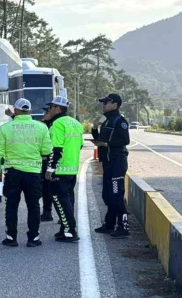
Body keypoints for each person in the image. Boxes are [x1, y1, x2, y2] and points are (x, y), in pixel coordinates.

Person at [0, 98, 53, 247]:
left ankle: (11, 237)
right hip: (33, 173)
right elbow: (46, 150)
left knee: (11, 205)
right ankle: (33, 238)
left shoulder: (6, 128)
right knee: (33, 205)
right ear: (30, 111)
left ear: (15, 111)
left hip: (13, 173)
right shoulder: (41, 127)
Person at [43, 96, 84, 243]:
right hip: (72, 169)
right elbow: (80, 146)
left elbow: (56, 149)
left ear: (58, 108)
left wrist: (50, 168)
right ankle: (65, 229)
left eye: (51, 107)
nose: (49, 110)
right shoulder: (76, 123)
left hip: (59, 169)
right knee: (68, 200)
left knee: (59, 200)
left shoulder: (57, 124)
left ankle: (70, 231)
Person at [92, 93, 130, 238]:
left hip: (117, 162)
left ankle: (123, 226)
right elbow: (100, 139)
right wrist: (95, 129)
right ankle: (109, 224)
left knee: (116, 195)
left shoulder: (119, 121)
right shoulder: (106, 120)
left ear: (114, 104)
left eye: (106, 103)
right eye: (103, 103)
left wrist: (106, 144)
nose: (104, 105)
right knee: (107, 195)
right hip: (107, 162)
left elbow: (125, 140)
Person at [40, 105, 55, 222]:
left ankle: (62, 214)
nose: (45, 114)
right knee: (45, 187)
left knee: (54, 189)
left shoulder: (55, 125)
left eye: (47, 111)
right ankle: (47, 212)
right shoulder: (45, 124)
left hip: (53, 160)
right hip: (47, 160)